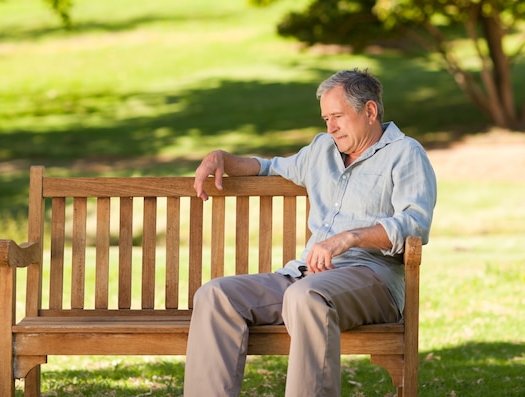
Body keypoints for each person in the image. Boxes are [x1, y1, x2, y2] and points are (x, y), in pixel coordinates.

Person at [183, 68, 437, 397]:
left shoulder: (406, 154)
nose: (330, 127)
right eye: (325, 119)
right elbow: (270, 167)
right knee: (216, 296)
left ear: (369, 111)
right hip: (305, 276)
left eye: (337, 116)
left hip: (371, 279)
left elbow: (414, 224)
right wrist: (224, 159)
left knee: (307, 298)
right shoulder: (321, 150)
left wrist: (350, 237)